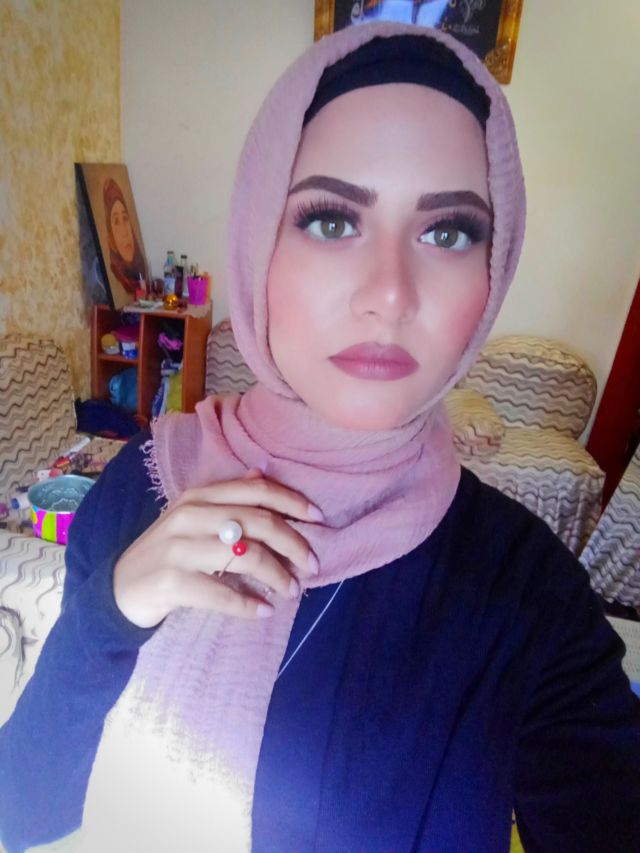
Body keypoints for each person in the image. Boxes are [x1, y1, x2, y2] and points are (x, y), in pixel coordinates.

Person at [1, 21, 639, 853]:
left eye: (449, 232)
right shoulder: (141, 490)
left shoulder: (524, 595)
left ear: (495, 267)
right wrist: (112, 609)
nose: (389, 294)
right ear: (256, 240)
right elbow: (22, 806)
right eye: (332, 220)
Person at [103, 177, 147, 295]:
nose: (125, 232)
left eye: (125, 218)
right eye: (116, 222)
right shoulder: (117, 278)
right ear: (111, 237)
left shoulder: (141, 269)